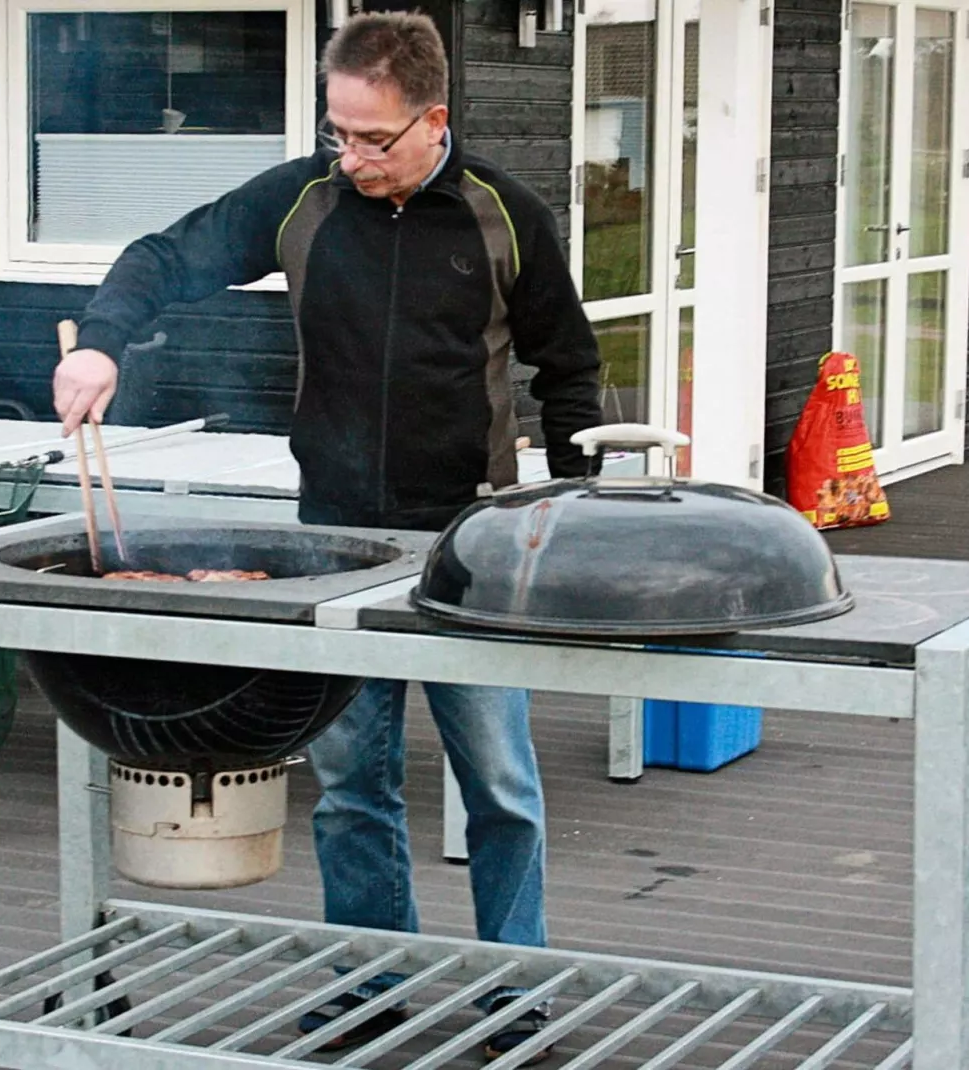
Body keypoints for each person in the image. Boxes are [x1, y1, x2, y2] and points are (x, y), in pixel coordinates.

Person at [52, 11, 601, 1064]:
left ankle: (517, 989)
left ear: (433, 120)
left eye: (372, 138)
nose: (349, 157)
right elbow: (165, 255)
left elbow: (568, 365)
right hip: (333, 543)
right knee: (352, 787)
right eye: (336, 132)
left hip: (469, 546)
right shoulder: (304, 197)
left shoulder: (502, 213)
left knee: (500, 785)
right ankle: (371, 982)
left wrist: (576, 507)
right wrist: (103, 343)